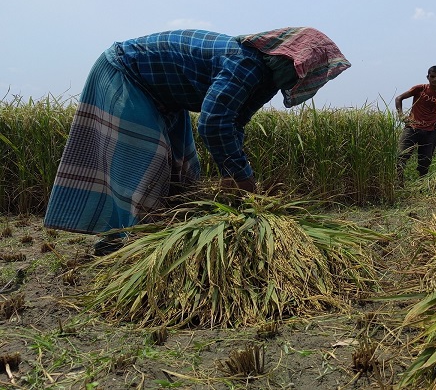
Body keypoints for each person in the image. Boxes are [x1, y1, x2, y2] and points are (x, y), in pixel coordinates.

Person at [44, 27, 350, 255]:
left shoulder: (264, 79)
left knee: (182, 165)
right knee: (144, 160)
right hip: (125, 71)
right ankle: (126, 242)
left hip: (164, 95)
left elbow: (234, 123)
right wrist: (242, 177)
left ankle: (161, 231)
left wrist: (232, 175)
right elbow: (213, 124)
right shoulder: (246, 64)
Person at [395, 65, 436, 180]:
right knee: (402, 156)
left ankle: (421, 184)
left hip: (430, 132)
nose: (435, 79)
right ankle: (398, 183)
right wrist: (401, 115)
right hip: (412, 128)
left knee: (425, 161)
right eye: (432, 76)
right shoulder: (420, 89)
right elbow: (399, 98)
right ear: (427, 77)